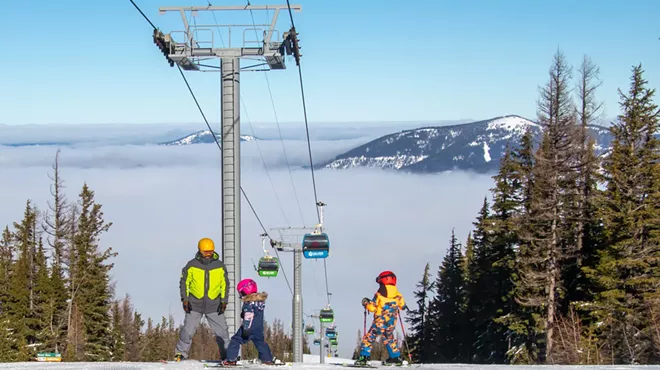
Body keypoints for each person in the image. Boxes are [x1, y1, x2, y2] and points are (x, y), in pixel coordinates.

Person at [175, 237, 231, 362]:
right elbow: (184, 283)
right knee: (187, 331)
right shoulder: (191, 265)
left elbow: (225, 285)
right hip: (194, 304)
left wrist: (224, 301)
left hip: (214, 305)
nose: (208, 254)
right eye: (205, 252)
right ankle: (180, 354)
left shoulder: (220, 266)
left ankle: (228, 355)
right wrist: (185, 299)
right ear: (200, 251)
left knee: (222, 333)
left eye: (210, 251)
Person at [355, 270, 408, 366]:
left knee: (369, 337)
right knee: (388, 338)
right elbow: (403, 306)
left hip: (379, 322)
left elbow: (372, 308)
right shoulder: (398, 295)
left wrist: (366, 303)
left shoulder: (379, 294)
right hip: (391, 323)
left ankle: (363, 357)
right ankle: (395, 357)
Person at [223, 278, 275, 365]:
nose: (240, 295)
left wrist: (246, 328)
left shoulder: (248, 303)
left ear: (245, 291)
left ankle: (231, 359)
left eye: (241, 293)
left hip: (249, 328)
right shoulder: (260, 302)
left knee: (235, 340)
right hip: (258, 328)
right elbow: (255, 314)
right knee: (260, 343)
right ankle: (267, 359)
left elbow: (249, 316)